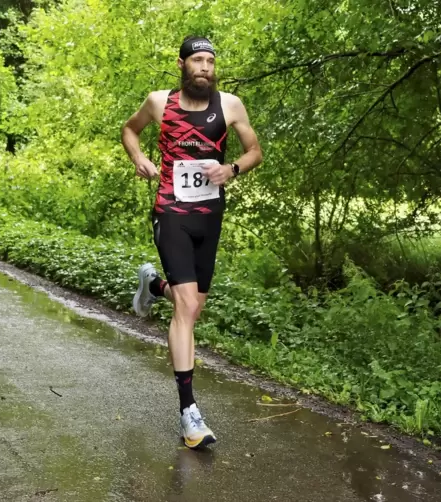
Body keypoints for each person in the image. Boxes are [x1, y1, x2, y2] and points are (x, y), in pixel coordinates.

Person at [122, 36, 263, 449]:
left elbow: (254, 150)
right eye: (197, 60)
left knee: (194, 305)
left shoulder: (230, 105)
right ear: (182, 65)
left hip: (209, 217)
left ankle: (153, 287)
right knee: (186, 307)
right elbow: (129, 130)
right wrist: (139, 158)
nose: (205, 67)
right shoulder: (158, 102)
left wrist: (233, 168)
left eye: (210, 61)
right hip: (171, 211)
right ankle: (189, 413)